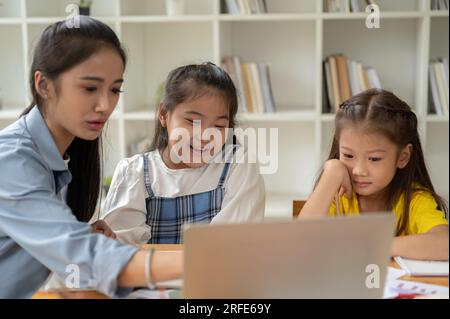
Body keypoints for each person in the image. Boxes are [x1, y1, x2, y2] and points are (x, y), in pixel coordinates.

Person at [0, 16, 182, 299]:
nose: (106, 105)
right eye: (89, 88)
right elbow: (78, 253)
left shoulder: (61, 153)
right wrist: (192, 262)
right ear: (44, 84)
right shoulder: (11, 160)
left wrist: (82, 233)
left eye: (114, 89)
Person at [101, 63, 265, 244]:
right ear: (163, 114)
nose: (204, 137)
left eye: (218, 126)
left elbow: (232, 247)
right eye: (193, 121)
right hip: (149, 273)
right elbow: (119, 252)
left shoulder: (238, 166)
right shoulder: (134, 172)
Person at [300, 89, 449, 261]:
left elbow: (445, 245)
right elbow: (302, 239)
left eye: (374, 158)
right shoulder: (337, 194)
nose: (359, 170)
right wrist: (331, 172)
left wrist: (374, 244)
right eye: (348, 156)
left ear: (402, 157)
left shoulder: (415, 200)